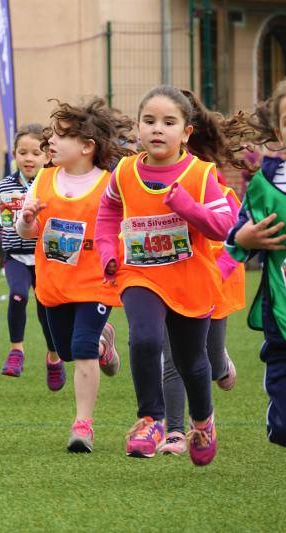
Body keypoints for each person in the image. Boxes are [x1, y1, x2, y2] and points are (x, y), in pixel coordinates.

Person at [96, 85, 239, 466]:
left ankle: (203, 422)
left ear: (186, 133)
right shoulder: (125, 171)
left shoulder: (201, 174)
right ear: (138, 128)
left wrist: (185, 205)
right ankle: (150, 420)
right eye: (149, 121)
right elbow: (107, 212)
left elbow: (224, 226)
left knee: (192, 363)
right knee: (145, 339)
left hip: (190, 279)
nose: (157, 128)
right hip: (140, 273)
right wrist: (108, 251)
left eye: (168, 122)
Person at [18, 99, 126, 453]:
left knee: (81, 348)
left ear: (86, 146)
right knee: (65, 349)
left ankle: (82, 425)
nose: (51, 141)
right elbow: (26, 232)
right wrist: (28, 220)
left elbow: (123, 228)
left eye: (61, 135)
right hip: (54, 283)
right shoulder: (44, 179)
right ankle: (103, 345)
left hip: (96, 282)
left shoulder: (110, 185)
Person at [225, 78, 286, 448]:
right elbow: (237, 235)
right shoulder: (266, 182)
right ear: (278, 130)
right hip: (280, 307)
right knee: (283, 430)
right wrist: (244, 239)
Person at [0, 124, 59, 381]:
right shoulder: (4, 186)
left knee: (46, 306)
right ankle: (16, 351)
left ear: (47, 155)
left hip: (46, 258)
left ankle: (53, 356)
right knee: (18, 295)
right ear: (14, 154)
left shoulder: (54, 183)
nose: (29, 158)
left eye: (36, 153)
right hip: (15, 256)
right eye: (22, 152)